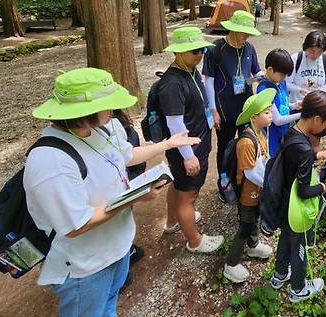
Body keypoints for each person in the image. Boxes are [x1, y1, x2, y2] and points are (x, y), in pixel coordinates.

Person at [24, 67, 200, 317]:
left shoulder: (101, 129)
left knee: (109, 306)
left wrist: (168, 144)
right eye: (108, 104)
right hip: (85, 267)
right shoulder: (51, 160)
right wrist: (135, 197)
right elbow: (77, 224)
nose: (114, 110)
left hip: (117, 249)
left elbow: (125, 156)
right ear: (83, 113)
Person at [269, 91, 326, 303]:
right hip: (295, 207)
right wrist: (322, 187)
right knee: (299, 246)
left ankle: (279, 275)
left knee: (285, 239)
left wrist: (318, 155)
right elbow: (303, 191)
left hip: (283, 203)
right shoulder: (303, 147)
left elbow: (299, 154)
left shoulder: (293, 134)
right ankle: (298, 289)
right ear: (317, 120)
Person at [159, 26, 224, 254]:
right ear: (178, 52)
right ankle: (195, 241)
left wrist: (212, 112)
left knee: (178, 186)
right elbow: (175, 124)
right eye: (195, 51)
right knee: (189, 196)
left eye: (202, 50)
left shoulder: (190, 71)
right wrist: (188, 156)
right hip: (187, 151)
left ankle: (172, 222)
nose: (200, 55)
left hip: (197, 144)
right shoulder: (172, 84)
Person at [201, 10, 262, 200]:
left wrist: (259, 79)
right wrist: (213, 111)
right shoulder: (215, 49)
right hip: (224, 109)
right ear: (233, 29)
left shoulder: (249, 48)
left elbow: (255, 74)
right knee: (225, 146)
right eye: (243, 31)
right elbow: (208, 81)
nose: (247, 35)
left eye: (249, 32)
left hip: (246, 108)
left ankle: (243, 178)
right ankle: (224, 182)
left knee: (246, 144)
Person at [223, 89, 275, 283]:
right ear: (254, 117)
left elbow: (262, 162)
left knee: (254, 218)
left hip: (257, 191)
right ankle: (231, 264)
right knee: (245, 225)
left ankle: (253, 246)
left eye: (270, 111)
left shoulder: (260, 134)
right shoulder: (246, 141)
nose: (271, 116)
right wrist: (269, 185)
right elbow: (250, 172)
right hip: (247, 192)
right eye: (267, 113)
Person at [113, 110, 145, 288]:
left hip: (123, 186)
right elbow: (77, 224)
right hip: (88, 259)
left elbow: (129, 155)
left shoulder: (109, 125)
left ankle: (125, 254)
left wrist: (168, 144)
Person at [257, 49, 302, 157]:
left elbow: (282, 106)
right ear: (270, 69)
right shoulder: (264, 89)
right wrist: (302, 115)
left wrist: (294, 106)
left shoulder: (280, 83)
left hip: (283, 134)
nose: (284, 78)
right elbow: (277, 120)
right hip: (271, 137)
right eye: (282, 74)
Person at [286, 30, 326, 103]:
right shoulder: (295, 59)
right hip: (298, 104)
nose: (315, 55)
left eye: (319, 52)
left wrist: (324, 89)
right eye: (312, 51)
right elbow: (286, 82)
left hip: (319, 103)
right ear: (305, 47)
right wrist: (300, 90)